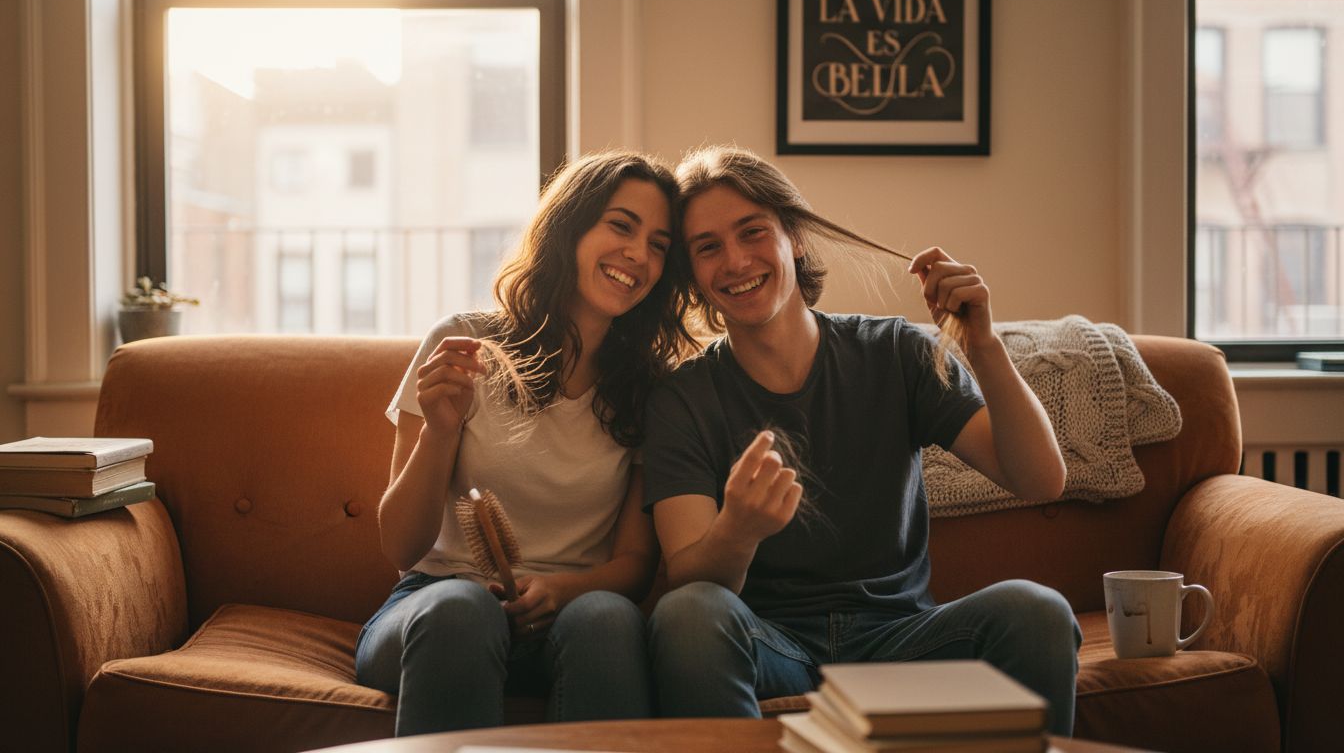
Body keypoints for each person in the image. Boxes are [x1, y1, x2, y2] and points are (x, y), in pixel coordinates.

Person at [642, 146, 1081, 736]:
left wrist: (983, 345)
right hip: (773, 645)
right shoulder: (681, 400)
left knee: (1037, 612)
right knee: (687, 614)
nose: (736, 261)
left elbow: (1041, 479)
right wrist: (738, 529)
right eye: (707, 247)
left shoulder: (894, 352)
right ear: (692, 274)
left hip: (904, 638)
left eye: (753, 232)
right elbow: (690, 582)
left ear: (795, 237)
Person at [356, 151, 692, 735]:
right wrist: (440, 430)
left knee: (609, 620)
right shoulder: (463, 345)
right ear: (569, 227)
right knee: (463, 610)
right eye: (621, 226)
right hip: (436, 609)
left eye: (659, 245)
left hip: (570, 619)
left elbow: (635, 566)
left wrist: (560, 590)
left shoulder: (651, 388)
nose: (639, 255)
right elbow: (401, 547)